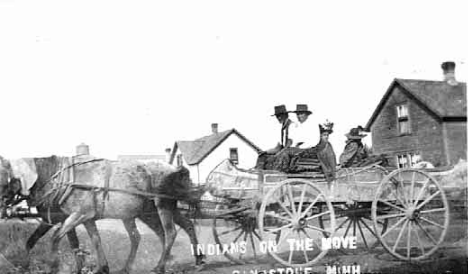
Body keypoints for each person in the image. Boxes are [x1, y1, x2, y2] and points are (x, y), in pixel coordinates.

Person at [255, 105, 296, 170]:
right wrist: (266, 152)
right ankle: (258, 172)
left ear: (286, 115)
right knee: (262, 156)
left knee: (276, 159)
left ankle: (271, 175)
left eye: (280, 115)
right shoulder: (283, 128)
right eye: (277, 116)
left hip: (292, 153)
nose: (279, 118)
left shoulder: (292, 126)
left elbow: (289, 145)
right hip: (284, 152)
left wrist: (278, 155)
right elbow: (278, 147)